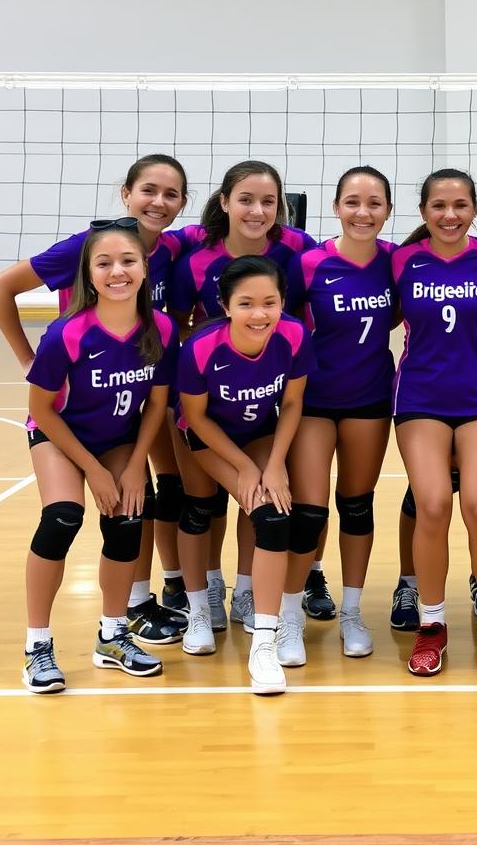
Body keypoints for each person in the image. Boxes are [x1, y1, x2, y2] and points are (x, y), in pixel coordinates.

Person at [0, 154, 191, 646]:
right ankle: (38, 643)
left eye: (171, 194)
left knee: (136, 507)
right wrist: (29, 362)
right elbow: (0, 288)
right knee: (63, 518)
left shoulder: (166, 258)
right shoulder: (83, 256)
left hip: (125, 411)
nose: (158, 202)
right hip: (65, 413)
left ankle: (124, 621)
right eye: (148, 190)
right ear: (125, 194)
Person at [23, 221, 178, 692]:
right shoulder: (67, 334)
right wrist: (93, 471)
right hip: (60, 435)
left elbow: (156, 403)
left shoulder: (161, 328)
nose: (117, 271)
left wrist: (134, 468)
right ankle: (37, 644)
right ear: (87, 275)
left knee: (130, 515)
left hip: (120, 441)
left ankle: (112, 636)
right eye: (104, 263)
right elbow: (40, 411)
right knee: (63, 518)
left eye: (128, 261)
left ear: (145, 269)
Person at [168, 160, 316, 636]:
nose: (256, 210)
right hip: (201, 407)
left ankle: (249, 592)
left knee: (265, 499)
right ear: (224, 202)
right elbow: (173, 327)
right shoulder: (193, 255)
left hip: (259, 410)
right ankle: (203, 594)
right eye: (245, 199)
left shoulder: (294, 250)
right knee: (200, 505)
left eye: (268, 202)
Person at [392, 169, 477, 677]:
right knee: (434, 504)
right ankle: (432, 624)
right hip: (420, 392)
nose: (450, 214)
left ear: (474, 210)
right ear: (422, 212)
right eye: (439, 205)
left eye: (461, 205)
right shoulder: (400, 260)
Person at [176, 256, 315, 693]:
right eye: (247, 304)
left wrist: (273, 465)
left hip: (258, 432)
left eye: (269, 303)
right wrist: (246, 468)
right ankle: (199, 607)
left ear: (282, 302)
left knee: (273, 517)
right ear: (225, 304)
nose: (259, 314)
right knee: (200, 510)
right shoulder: (200, 347)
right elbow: (196, 419)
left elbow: (292, 404)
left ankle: (264, 642)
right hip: (208, 438)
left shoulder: (293, 334)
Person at [282, 166, 396, 661]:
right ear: (335, 208)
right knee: (308, 513)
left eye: (374, 203)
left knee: (357, 504)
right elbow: (279, 325)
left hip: (370, 398)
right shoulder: (307, 265)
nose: (363, 212)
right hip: (313, 402)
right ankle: (288, 615)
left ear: (388, 211)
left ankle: (351, 610)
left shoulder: (397, 262)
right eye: (352, 202)